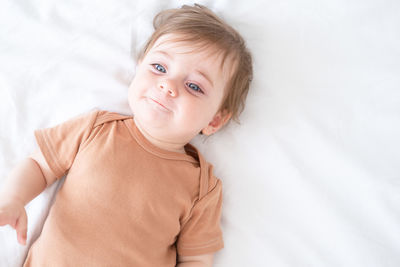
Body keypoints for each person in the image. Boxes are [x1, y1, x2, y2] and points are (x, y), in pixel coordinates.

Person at [0, 4, 252, 267]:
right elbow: (40, 165)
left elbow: (196, 258)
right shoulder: (96, 129)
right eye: (159, 68)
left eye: (193, 86)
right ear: (139, 68)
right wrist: (14, 199)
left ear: (214, 120)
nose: (168, 85)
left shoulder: (202, 187)